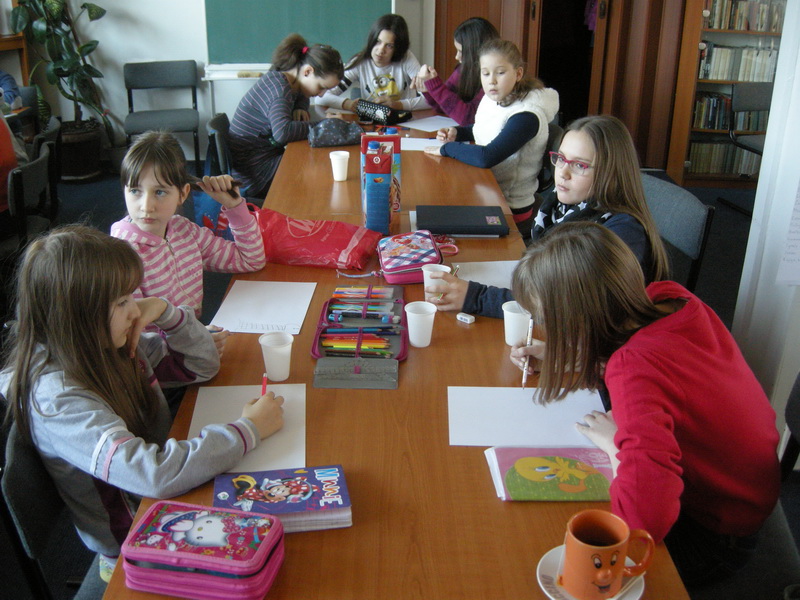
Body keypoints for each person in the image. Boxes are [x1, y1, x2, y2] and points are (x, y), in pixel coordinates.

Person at [0, 226, 285, 583]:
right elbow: (152, 475)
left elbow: (201, 365)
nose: (135, 311)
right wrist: (248, 431)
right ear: (78, 316)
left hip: (165, 490)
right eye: (122, 302)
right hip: (134, 538)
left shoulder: (109, 342)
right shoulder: (57, 401)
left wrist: (165, 311)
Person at [509, 221, 780, 588]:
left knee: (537, 549)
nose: (546, 328)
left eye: (548, 320)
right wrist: (573, 359)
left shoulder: (633, 367)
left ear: (578, 320)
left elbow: (643, 519)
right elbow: (663, 374)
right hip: (746, 493)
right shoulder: (670, 298)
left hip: (714, 534)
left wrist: (615, 445)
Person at [428, 114, 667, 318]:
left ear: (611, 172)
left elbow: (564, 306)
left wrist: (476, 297)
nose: (562, 172)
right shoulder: (559, 207)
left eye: (580, 165)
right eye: (561, 158)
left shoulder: (618, 234)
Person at [111, 131, 266, 359]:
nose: (146, 206)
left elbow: (250, 259)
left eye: (160, 192)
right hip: (163, 360)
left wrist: (234, 207)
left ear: (183, 193)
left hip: (192, 342)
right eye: (135, 190)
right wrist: (195, 340)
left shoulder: (184, 231)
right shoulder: (122, 256)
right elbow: (134, 341)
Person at [424, 39, 559, 235]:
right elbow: (487, 129)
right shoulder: (495, 99)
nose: (491, 81)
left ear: (518, 73)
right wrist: (458, 132)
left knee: (434, 218)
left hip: (509, 207)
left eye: (500, 73)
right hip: (485, 189)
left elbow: (487, 156)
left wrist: (446, 149)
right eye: (485, 73)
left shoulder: (527, 116)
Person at [228, 34, 344, 199]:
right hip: (255, 175)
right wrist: (326, 124)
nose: (321, 94)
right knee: (319, 168)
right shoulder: (279, 91)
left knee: (316, 159)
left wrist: (300, 107)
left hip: (262, 160)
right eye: (321, 87)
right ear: (307, 71)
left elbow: (301, 94)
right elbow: (283, 133)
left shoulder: (283, 77)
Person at [318, 14, 429, 113]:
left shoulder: (406, 58)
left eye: (389, 46)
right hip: (372, 123)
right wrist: (348, 104)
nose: (380, 50)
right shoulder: (360, 62)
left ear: (398, 48)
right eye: (378, 42)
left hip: (403, 120)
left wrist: (397, 105)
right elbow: (321, 97)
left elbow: (429, 100)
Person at [412, 17, 499, 126]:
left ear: (475, 52)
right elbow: (444, 108)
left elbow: (469, 118)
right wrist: (427, 90)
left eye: (461, 51)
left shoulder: (494, 78)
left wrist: (435, 86)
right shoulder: (462, 70)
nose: (457, 57)